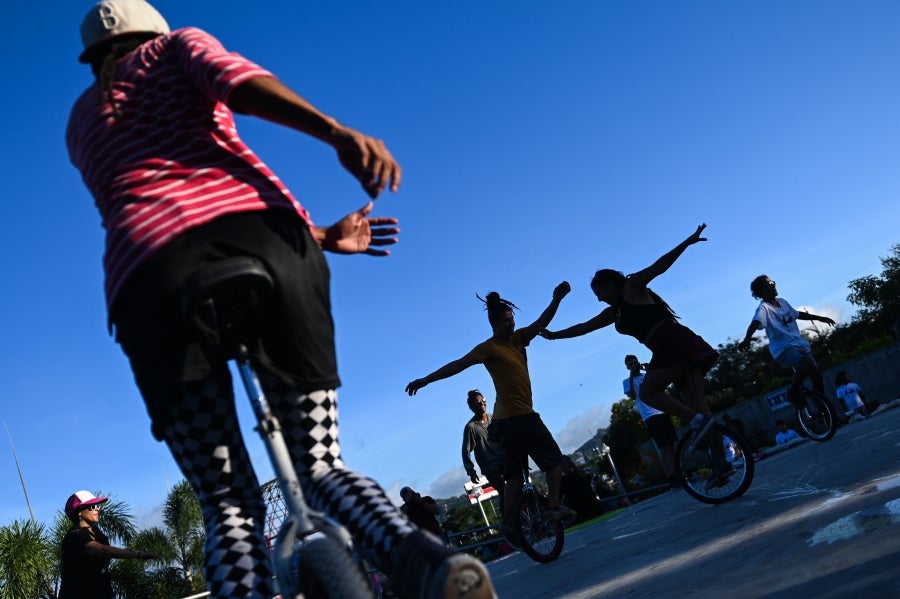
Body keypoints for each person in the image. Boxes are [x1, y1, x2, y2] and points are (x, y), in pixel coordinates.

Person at [66, 2, 494, 598]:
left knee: (225, 504)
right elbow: (238, 83)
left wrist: (322, 235)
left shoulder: (81, 119)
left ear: (93, 58)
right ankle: (424, 562)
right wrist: (335, 132)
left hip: (150, 288)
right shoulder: (177, 47)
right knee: (320, 464)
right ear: (152, 31)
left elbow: (172, 219)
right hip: (269, 248)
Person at [405, 284, 578, 543]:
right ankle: (553, 509)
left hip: (504, 423)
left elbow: (542, 321)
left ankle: (509, 524)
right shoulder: (488, 348)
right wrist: (426, 380)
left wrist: (557, 299)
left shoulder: (519, 338)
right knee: (554, 463)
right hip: (519, 418)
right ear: (494, 323)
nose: (512, 323)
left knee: (514, 478)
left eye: (512, 319)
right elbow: (458, 364)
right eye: (507, 321)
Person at [541, 225, 720, 450]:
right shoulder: (613, 312)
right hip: (669, 347)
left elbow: (659, 266)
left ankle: (697, 422)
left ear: (609, 285)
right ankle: (721, 463)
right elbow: (585, 327)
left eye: (599, 293)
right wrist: (554, 336)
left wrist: (687, 242)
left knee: (648, 393)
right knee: (697, 405)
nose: (599, 299)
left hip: (673, 342)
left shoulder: (631, 287)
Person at [738, 275, 835, 406]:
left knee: (817, 377)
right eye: (768, 285)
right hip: (783, 348)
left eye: (773, 282)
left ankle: (823, 410)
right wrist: (747, 338)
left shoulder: (783, 302)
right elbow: (756, 322)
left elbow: (798, 314)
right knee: (805, 363)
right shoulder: (764, 308)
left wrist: (820, 318)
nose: (773, 286)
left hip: (799, 344)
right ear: (760, 293)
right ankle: (793, 392)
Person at [59, 491, 160, 598]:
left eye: (98, 506)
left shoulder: (97, 533)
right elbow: (102, 550)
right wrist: (137, 555)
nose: (97, 509)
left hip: (104, 593)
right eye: (93, 506)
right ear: (79, 512)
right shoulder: (75, 537)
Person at [623, 354, 680, 490]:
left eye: (634, 363)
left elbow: (661, 386)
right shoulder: (627, 381)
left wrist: (651, 369)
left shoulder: (647, 376)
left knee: (672, 445)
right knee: (664, 448)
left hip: (662, 411)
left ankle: (679, 473)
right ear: (627, 367)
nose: (633, 366)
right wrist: (632, 376)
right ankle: (672, 477)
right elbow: (632, 395)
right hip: (650, 416)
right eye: (630, 365)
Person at [462, 389, 507, 508]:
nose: (482, 403)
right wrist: (471, 471)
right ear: (471, 406)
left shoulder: (494, 418)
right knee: (504, 492)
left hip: (504, 460)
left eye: (484, 400)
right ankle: (508, 520)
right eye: (478, 402)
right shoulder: (471, 427)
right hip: (490, 467)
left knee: (516, 487)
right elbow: (465, 451)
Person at [559, 457, 604, 523]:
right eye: (562, 464)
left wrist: (574, 467)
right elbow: (558, 497)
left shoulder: (579, 474)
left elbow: (587, 478)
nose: (565, 466)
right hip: (577, 513)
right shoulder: (561, 481)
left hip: (592, 507)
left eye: (567, 463)